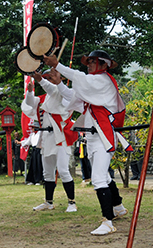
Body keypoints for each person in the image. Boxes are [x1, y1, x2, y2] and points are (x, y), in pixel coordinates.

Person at [43, 50, 128, 235]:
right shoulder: (94, 87)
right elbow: (74, 97)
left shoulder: (102, 80)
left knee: (98, 179)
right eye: (88, 61)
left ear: (104, 64)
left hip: (103, 136)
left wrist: (57, 65)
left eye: (92, 61)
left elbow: (79, 79)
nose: (88, 64)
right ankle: (118, 207)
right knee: (103, 176)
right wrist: (58, 83)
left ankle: (108, 221)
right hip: (94, 136)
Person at [22, 69, 78, 213]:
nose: (49, 81)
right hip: (46, 138)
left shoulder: (65, 95)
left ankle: (72, 202)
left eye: (51, 78)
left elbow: (52, 89)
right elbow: (29, 103)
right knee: (48, 172)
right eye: (48, 78)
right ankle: (49, 202)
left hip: (60, 137)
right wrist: (29, 91)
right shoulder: (43, 98)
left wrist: (41, 80)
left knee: (63, 170)